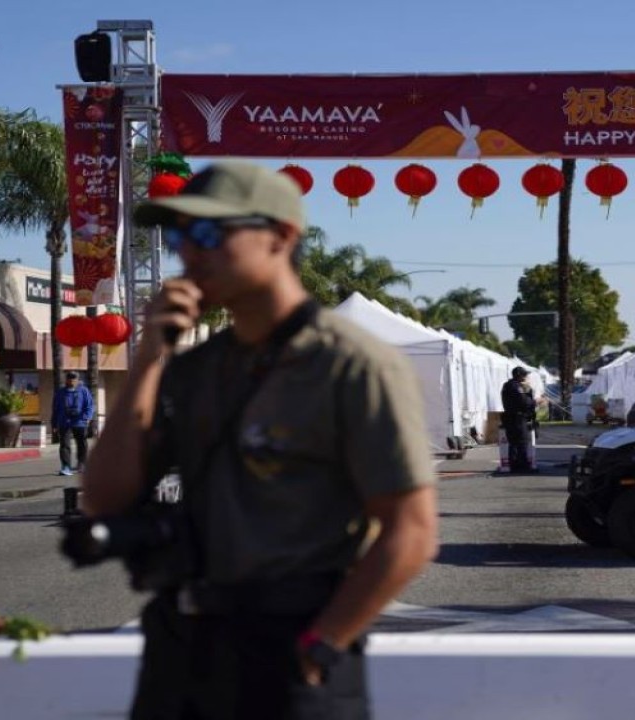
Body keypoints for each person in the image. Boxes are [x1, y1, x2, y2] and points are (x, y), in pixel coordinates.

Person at [80, 160, 439, 719]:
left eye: (209, 232)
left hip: (291, 645)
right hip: (183, 643)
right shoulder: (195, 369)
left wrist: (322, 644)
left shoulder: (350, 364)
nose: (189, 253)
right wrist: (149, 358)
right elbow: (105, 498)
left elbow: (410, 532)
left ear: (281, 236)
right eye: (179, 236)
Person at [52, 371, 94, 476]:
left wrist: (87, 418)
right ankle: (66, 467)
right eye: (69, 378)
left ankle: (82, 463)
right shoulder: (60, 392)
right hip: (64, 422)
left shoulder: (84, 391)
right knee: (64, 445)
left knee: (82, 444)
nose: (71, 381)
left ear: (78, 380)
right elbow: (55, 409)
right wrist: (54, 424)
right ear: (66, 380)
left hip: (80, 422)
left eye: (74, 379)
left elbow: (89, 406)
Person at [500, 366, 538, 472]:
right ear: (519, 375)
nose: (526, 377)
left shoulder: (507, 385)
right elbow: (524, 402)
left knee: (514, 443)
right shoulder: (516, 387)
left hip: (510, 417)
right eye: (524, 375)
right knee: (522, 442)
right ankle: (523, 466)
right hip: (517, 418)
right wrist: (535, 401)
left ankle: (515, 465)